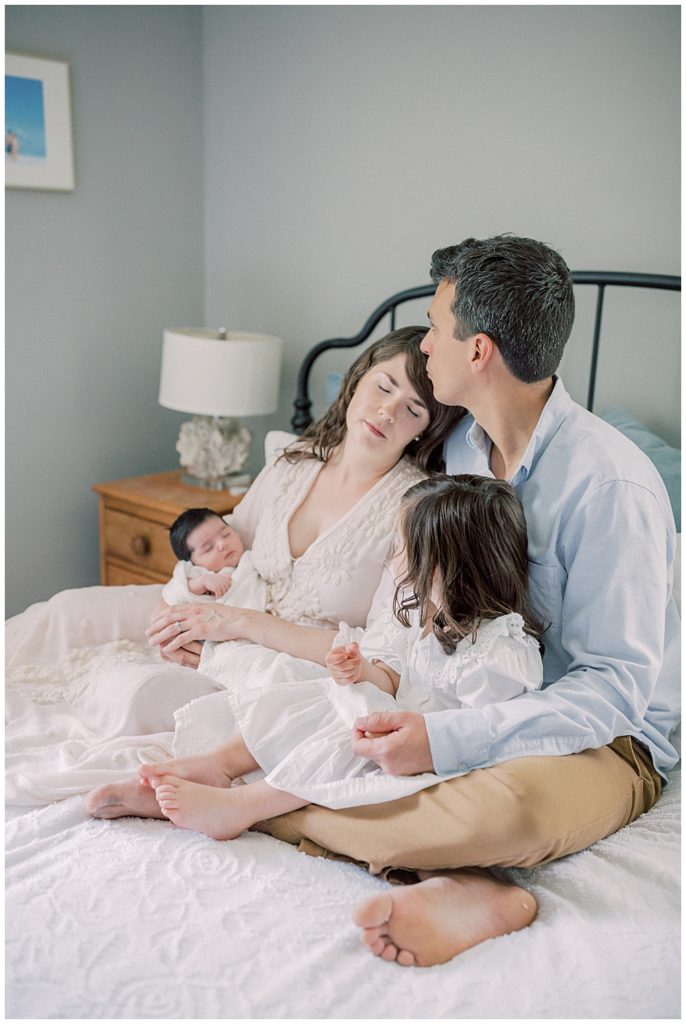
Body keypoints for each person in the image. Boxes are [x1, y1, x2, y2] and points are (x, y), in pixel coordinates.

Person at [217, 234, 676, 968]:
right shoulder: (458, 452)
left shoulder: (610, 486)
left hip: (605, 738)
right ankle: (472, 883)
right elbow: (357, 482)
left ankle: (265, 808)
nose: (423, 346)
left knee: (509, 807)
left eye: (434, 326)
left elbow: (615, 690)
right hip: (448, 694)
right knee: (319, 717)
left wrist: (445, 742)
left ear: (479, 351)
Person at [6, 327, 463, 805]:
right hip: (223, 616)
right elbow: (230, 540)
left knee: (140, 692)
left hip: (291, 667)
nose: (387, 411)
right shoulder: (294, 462)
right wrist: (190, 595)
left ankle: (180, 778)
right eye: (384, 386)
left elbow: (383, 660)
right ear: (357, 380)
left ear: (424, 429)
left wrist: (235, 624)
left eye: (413, 408)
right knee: (63, 611)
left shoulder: (413, 511)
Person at [137, 473, 544, 837]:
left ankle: (244, 807)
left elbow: (490, 732)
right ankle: (221, 763)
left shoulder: (498, 650)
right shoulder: (426, 616)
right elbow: (400, 680)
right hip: (392, 719)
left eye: (400, 548)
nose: (392, 559)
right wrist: (362, 671)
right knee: (320, 694)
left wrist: (415, 735)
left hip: (420, 752)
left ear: (440, 565)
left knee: (344, 736)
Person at [162, 507, 267, 611]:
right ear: (193, 562)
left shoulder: (250, 558)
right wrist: (200, 583)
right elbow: (172, 595)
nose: (222, 544)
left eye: (226, 535)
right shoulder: (196, 573)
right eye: (208, 548)